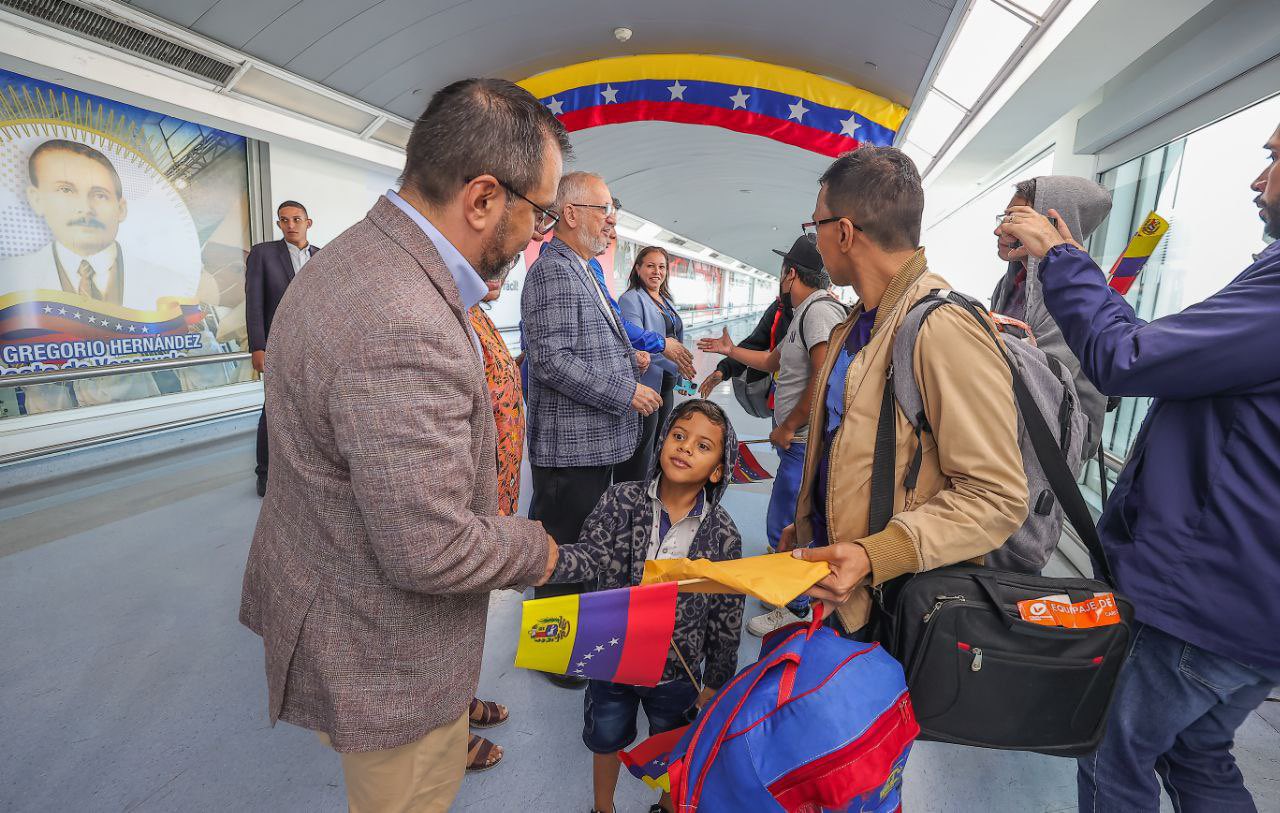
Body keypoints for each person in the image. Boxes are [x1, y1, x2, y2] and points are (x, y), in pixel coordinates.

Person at [238, 78, 566, 813]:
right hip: (385, 653)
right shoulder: (404, 319)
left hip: (333, 586)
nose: (535, 234)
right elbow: (429, 547)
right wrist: (538, 548)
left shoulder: (353, 257)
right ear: (483, 199)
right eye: (538, 213)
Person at [998, 121, 1280, 813]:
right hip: (1250, 604)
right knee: (1198, 754)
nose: (1256, 179)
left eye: (1273, 158)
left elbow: (1125, 358)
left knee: (1108, 753)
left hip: (1206, 598)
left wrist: (1063, 261)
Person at [783, 146, 1028, 648]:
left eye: (816, 227)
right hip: (843, 588)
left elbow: (997, 497)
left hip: (893, 602)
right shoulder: (860, 322)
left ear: (845, 232)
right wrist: (810, 523)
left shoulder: (941, 328)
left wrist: (877, 555)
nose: (816, 239)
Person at [544, 399, 744, 813]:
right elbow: (590, 555)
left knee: (675, 747)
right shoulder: (620, 500)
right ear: (661, 443)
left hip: (678, 670)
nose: (686, 447)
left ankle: (669, 807)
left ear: (718, 470)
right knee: (606, 737)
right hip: (613, 657)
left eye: (703, 446)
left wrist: (717, 679)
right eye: (678, 435)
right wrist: (544, 560)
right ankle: (604, 807)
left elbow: (727, 614)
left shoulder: (724, 535)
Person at [521, 171, 663, 689]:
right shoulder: (553, 272)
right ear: (571, 213)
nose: (611, 220)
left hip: (593, 444)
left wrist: (629, 356)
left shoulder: (582, 268)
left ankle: (575, 638)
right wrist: (625, 390)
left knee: (584, 544)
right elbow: (553, 361)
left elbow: (591, 340)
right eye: (604, 209)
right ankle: (552, 655)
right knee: (560, 548)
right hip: (569, 450)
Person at [698, 234, 848, 636]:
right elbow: (770, 359)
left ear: (791, 275)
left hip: (802, 442)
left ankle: (795, 607)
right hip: (795, 441)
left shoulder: (818, 313)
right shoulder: (804, 312)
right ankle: (789, 593)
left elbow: (823, 378)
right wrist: (731, 352)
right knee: (787, 518)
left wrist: (787, 426)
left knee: (788, 521)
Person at [6, 139, 176, 413]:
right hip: (57, 424)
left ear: (121, 208)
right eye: (65, 190)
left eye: (99, 194)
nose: (84, 208)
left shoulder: (167, 282)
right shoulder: (11, 281)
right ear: (37, 199)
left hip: (145, 412)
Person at [990, 176, 1112, 460]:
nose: (999, 230)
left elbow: (1042, 381)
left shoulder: (1071, 295)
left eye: (1014, 220)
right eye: (1004, 217)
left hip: (1047, 456)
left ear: (1051, 226)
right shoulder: (1011, 284)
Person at [244, 201, 320, 497]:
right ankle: (264, 474)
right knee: (273, 408)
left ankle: (302, 471)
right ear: (279, 224)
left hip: (312, 347)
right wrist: (258, 346)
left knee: (311, 410)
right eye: (284, 220)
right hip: (277, 345)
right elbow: (254, 303)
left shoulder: (320, 256)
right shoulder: (264, 254)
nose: (291, 224)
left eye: (296, 219)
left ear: (308, 222)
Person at [617, 246, 685, 482]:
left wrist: (680, 372)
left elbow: (676, 339)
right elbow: (636, 342)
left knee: (659, 445)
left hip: (666, 385)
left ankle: (648, 495)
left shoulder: (665, 300)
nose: (657, 271)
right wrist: (674, 362)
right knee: (640, 450)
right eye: (650, 266)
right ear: (638, 268)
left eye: (662, 266)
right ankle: (627, 499)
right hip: (646, 385)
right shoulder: (631, 299)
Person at [695, 293, 792, 400]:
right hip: (780, 398)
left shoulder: (809, 315)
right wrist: (724, 370)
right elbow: (754, 345)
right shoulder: (780, 307)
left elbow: (770, 362)